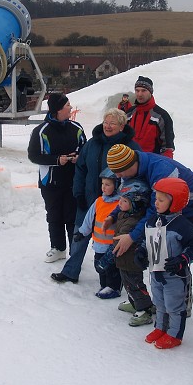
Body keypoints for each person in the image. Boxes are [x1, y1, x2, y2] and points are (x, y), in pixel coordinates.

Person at [105, 143, 193, 317]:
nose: (118, 177)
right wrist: (113, 215)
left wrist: (132, 236)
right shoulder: (129, 169)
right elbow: (127, 196)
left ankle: (181, 304)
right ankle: (149, 300)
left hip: (189, 206)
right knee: (156, 253)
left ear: (132, 165)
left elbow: (153, 211)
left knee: (174, 254)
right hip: (163, 205)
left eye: (120, 173)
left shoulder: (161, 170)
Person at [51, 108, 138, 282]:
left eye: (112, 123)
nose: (107, 126)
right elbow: (81, 168)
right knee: (80, 234)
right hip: (90, 199)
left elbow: (135, 176)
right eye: (106, 122)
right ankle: (70, 272)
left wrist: (126, 200)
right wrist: (78, 193)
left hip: (115, 204)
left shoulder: (130, 147)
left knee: (113, 240)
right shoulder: (92, 143)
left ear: (121, 126)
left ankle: (115, 280)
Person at [140, 177, 193, 349]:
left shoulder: (181, 225)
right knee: (159, 303)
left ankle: (174, 334)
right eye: (156, 198)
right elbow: (147, 240)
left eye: (161, 200)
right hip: (156, 272)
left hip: (175, 274)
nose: (156, 203)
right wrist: (141, 251)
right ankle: (160, 328)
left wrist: (182, 260)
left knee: (174, 305)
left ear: (175, 202)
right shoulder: (153, 221)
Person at [28, 93, 86, 263]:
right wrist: (56, 160)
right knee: (54, 216)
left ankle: (74, 250)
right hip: (50, 182)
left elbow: (85, 148)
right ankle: (58, 248)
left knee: (71, 217)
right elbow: (33, 156)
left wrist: (78, 157)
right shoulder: (40, 131)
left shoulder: (76, 127)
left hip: (73, 181)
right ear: (58, 110)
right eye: (67, 105)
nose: (70, 107)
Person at [53, 168, 121, 297]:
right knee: (99, 266)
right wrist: (82, 232)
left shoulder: (119, 203)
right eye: (102, 184)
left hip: (113, 245)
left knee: (112, 268)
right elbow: (89, 219)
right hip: (99, 244)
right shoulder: (99, 201)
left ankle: (114, 287)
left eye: (108, 185)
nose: (104, 187)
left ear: (116, 185)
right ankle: (104, 285)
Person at [110, 180, 154, 326]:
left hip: (131, 260)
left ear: (136, 203)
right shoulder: (125, 214)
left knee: (134, 284)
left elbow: (119, 240)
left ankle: (144, 311)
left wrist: (107, 256)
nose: (119, 203)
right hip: (123, 260)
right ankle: (136, 303)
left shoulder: (134, 221)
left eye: (124, 201)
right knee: (128, 284)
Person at [126, 76, 175, 157]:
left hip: (152, 163)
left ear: (150, 92)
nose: (140, 94)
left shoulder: (161, 116)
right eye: (137, 90)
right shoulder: (129, 113)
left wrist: (164, 166)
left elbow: (167, 148)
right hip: (130, 163)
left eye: (144, 91)